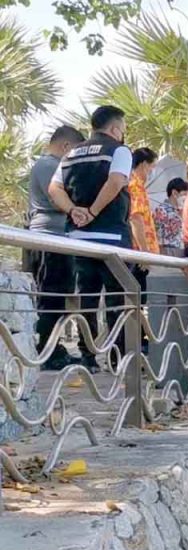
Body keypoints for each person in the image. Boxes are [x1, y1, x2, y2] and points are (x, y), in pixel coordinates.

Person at [48, 105, 133, 374]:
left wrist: (74, 210)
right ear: (115, 129)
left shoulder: (71, 153)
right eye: (123, 129)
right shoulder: (119, 151)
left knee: (87, 298)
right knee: (118, 299)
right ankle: (119, 357)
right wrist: (94, 212)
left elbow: (54, 188)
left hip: (79, 238)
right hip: (111, 237)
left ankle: (88, 357)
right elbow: (116, 181)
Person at [26, 125, 86, 370]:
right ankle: (46, 350)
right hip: (48, 238)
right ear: (66, 146)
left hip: (60, 238)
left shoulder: (53, 165)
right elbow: (57, 197)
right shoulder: (48, 165)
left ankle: (54, 346)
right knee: (50, 296)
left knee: (59, 296)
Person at [154, 177, 188, 257]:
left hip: (181, 250)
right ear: (174, 193)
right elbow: (161, 235)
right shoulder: (161, 210)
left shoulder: (181, 211)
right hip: (167, 251)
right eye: (184, 194)